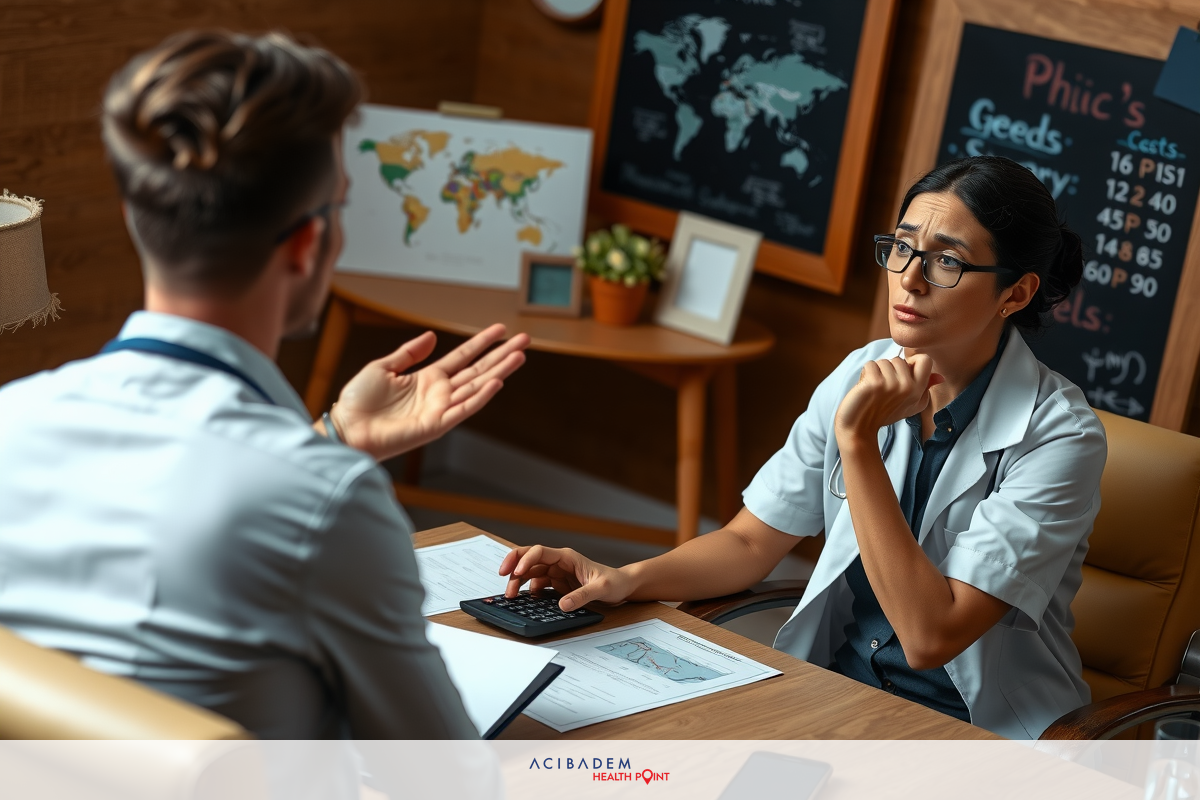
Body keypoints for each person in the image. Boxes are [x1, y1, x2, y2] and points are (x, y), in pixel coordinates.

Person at [0, 30, 530, 740]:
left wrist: (336, 437)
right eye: (339, 206)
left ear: (135, 218)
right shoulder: (327, 502)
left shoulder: (11, 421)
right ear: (309, 244)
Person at [500, 155, 1107, 740]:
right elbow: (750, 542)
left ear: (1015, 294)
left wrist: (858, 443)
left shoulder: (1061, 437)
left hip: (975, 732)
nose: (909, 279)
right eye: (902, 247)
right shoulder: (860, 372)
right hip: (844, 695)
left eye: (947, 261)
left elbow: (930, 637)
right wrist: (625, 578)